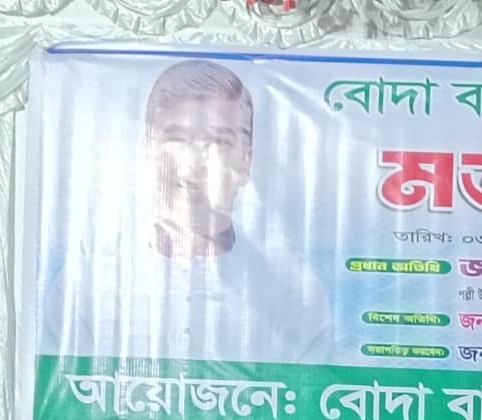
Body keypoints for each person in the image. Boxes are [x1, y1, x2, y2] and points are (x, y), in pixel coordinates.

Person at [41, 58, 333, 364]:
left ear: (246, 161)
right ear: (148, 150)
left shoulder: (295, 296)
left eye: (219, 142)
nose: (194, 164)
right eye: (177, 140)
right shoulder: (85, 288)